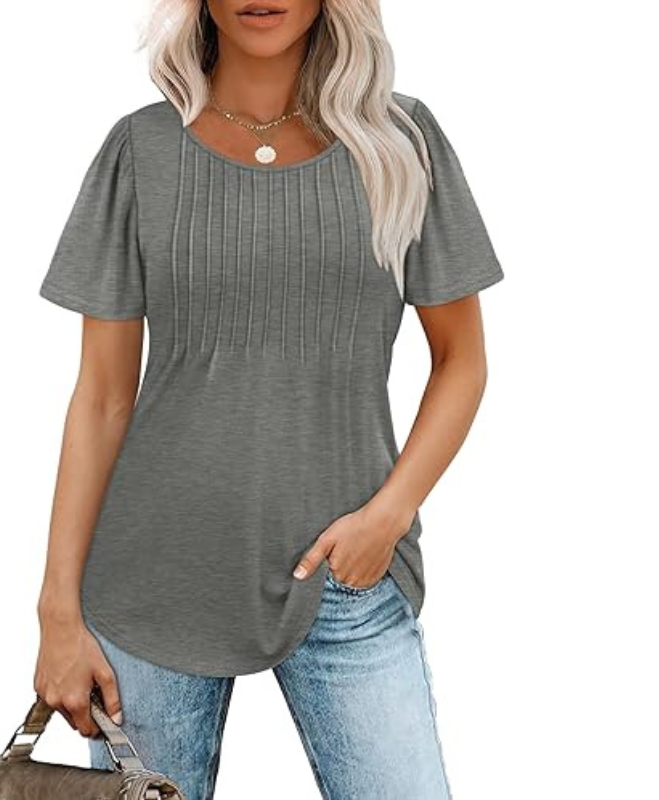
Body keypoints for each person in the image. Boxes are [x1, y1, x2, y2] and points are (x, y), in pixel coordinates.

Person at [33, 1, 504, 797]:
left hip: (346, 577)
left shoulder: (402, 142)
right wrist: (57, 611)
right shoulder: (141, 151)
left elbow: (462, 361)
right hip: (154, 583)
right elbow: (102, 398)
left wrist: (389, 515)